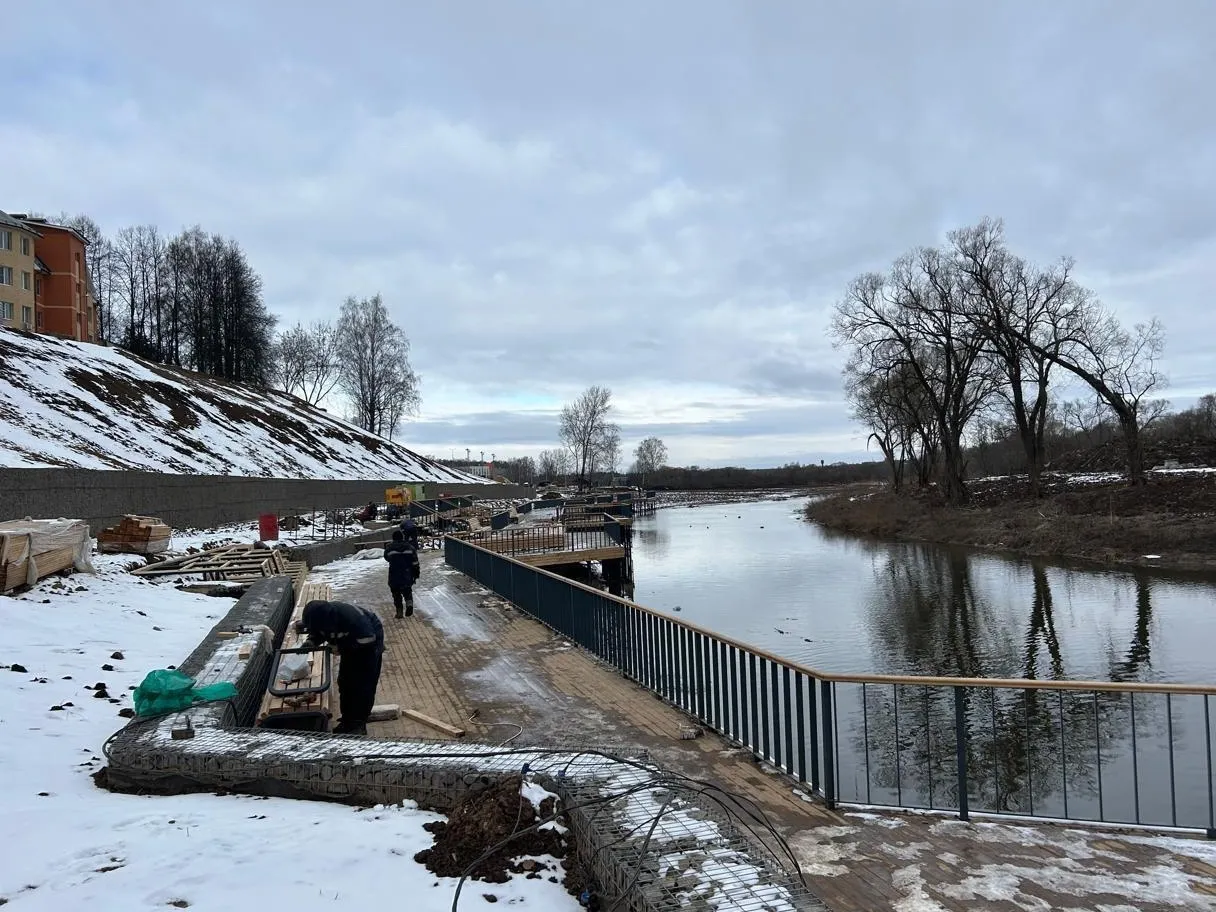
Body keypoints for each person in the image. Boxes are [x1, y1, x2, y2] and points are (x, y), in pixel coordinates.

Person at [295, 599, 384, 736]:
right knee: (345, 681)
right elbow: (319, 632)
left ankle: (358, 724)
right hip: (353, 642)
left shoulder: (354, 620)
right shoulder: (323, 618)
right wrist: (311, 641)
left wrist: (341, 648)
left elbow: (367, 640)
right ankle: (348, 720)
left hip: (369, 645)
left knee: (362, 685)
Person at [383, 530, 420, 618]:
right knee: (407, 590)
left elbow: (386, 557)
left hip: (394, 573)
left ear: (393, 538)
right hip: (407, 573)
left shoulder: (389, 548)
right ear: (402, 537)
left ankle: (399, 612)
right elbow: (415, 562)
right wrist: (416, 573)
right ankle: (409, 604)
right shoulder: (410, 547)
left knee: (396, 593)